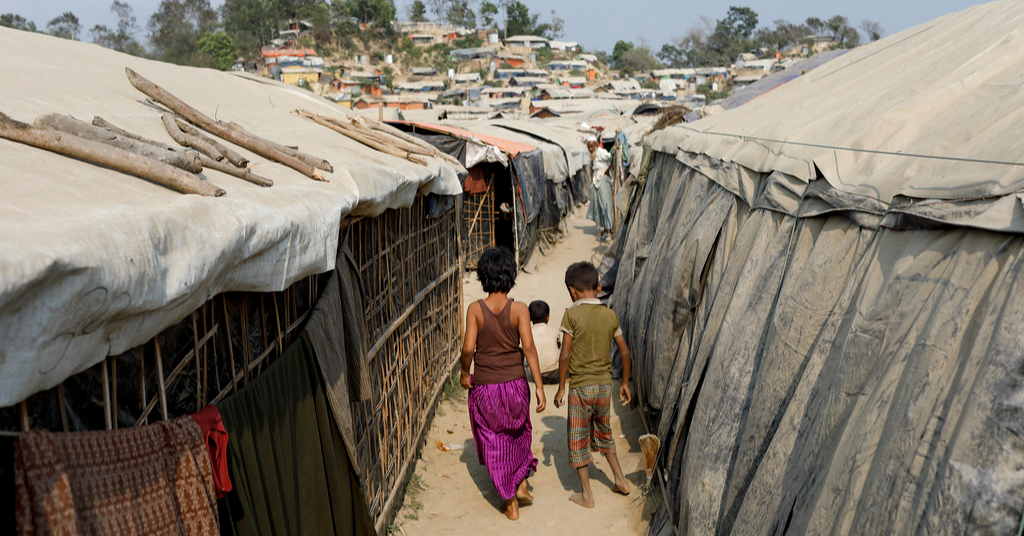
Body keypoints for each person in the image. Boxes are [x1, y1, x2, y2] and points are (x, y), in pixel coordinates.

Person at [460, 247, 547, 520]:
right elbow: (529, 349)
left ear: (483, 276)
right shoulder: (520, 309)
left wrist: (465, 373)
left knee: (493, 439)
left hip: (486, 386)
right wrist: (540, 386)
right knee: (520, 431)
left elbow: (467, 349)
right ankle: (521, 483)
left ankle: (510, 503)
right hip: (516, 385)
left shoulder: (476, 309)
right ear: (510, 276)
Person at [553, 261, 633, 508]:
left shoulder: (571, 314)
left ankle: (587, 495)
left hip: (580, 388)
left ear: (572, 290)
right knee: (605, 433)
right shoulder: (609, 314)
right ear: (597, 287)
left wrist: (561, 386)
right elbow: (625, 352)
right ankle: (620, 480)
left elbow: (565, 354)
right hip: (603, 387)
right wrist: (625, 383)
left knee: (578, 439)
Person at [585, 136, 614, 241]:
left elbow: (611, 157)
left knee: (606, 206)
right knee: (600, 206)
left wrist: (608, 169)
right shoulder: (593, 155)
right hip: (597, 182)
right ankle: (605, 229)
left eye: (592, 146)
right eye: (589, 147)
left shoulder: (601, 152)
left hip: (603, 181)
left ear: (596, 145)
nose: (590, 149)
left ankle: (609, 230)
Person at [528, 300, 561, 384]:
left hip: (535, 372)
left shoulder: (528, 333)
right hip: (554, 371)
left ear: (529, 317)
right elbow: (558, 346)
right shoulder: (554, 331)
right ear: (548, 317)